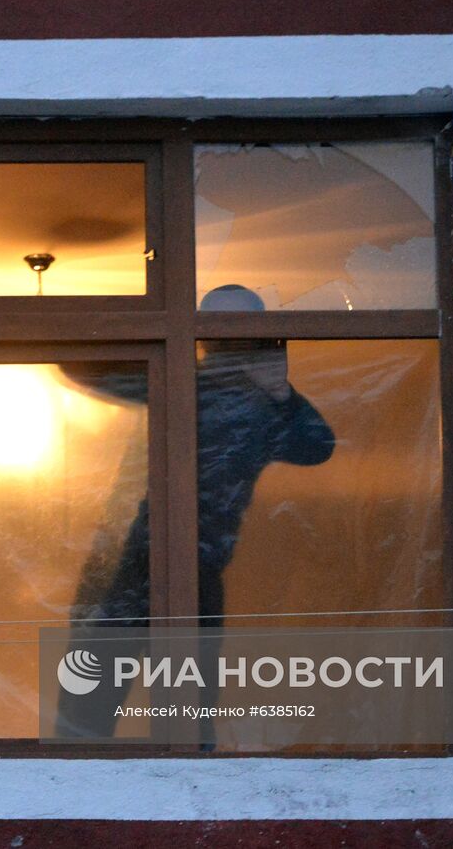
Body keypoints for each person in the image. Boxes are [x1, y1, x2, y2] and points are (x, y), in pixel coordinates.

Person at [57, 285, 336, 737]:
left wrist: (282, 393)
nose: (228, 341)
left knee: (182, 719)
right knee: (94, 710)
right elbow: (82, 369)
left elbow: (318, 448)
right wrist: (147, 331)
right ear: (202, 335)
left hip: (195, 571)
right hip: (138, 563)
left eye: (242, 331)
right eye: (217, 329)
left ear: (263, 338)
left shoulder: (262, 403)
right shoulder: (174, 378)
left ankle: (175, 792)